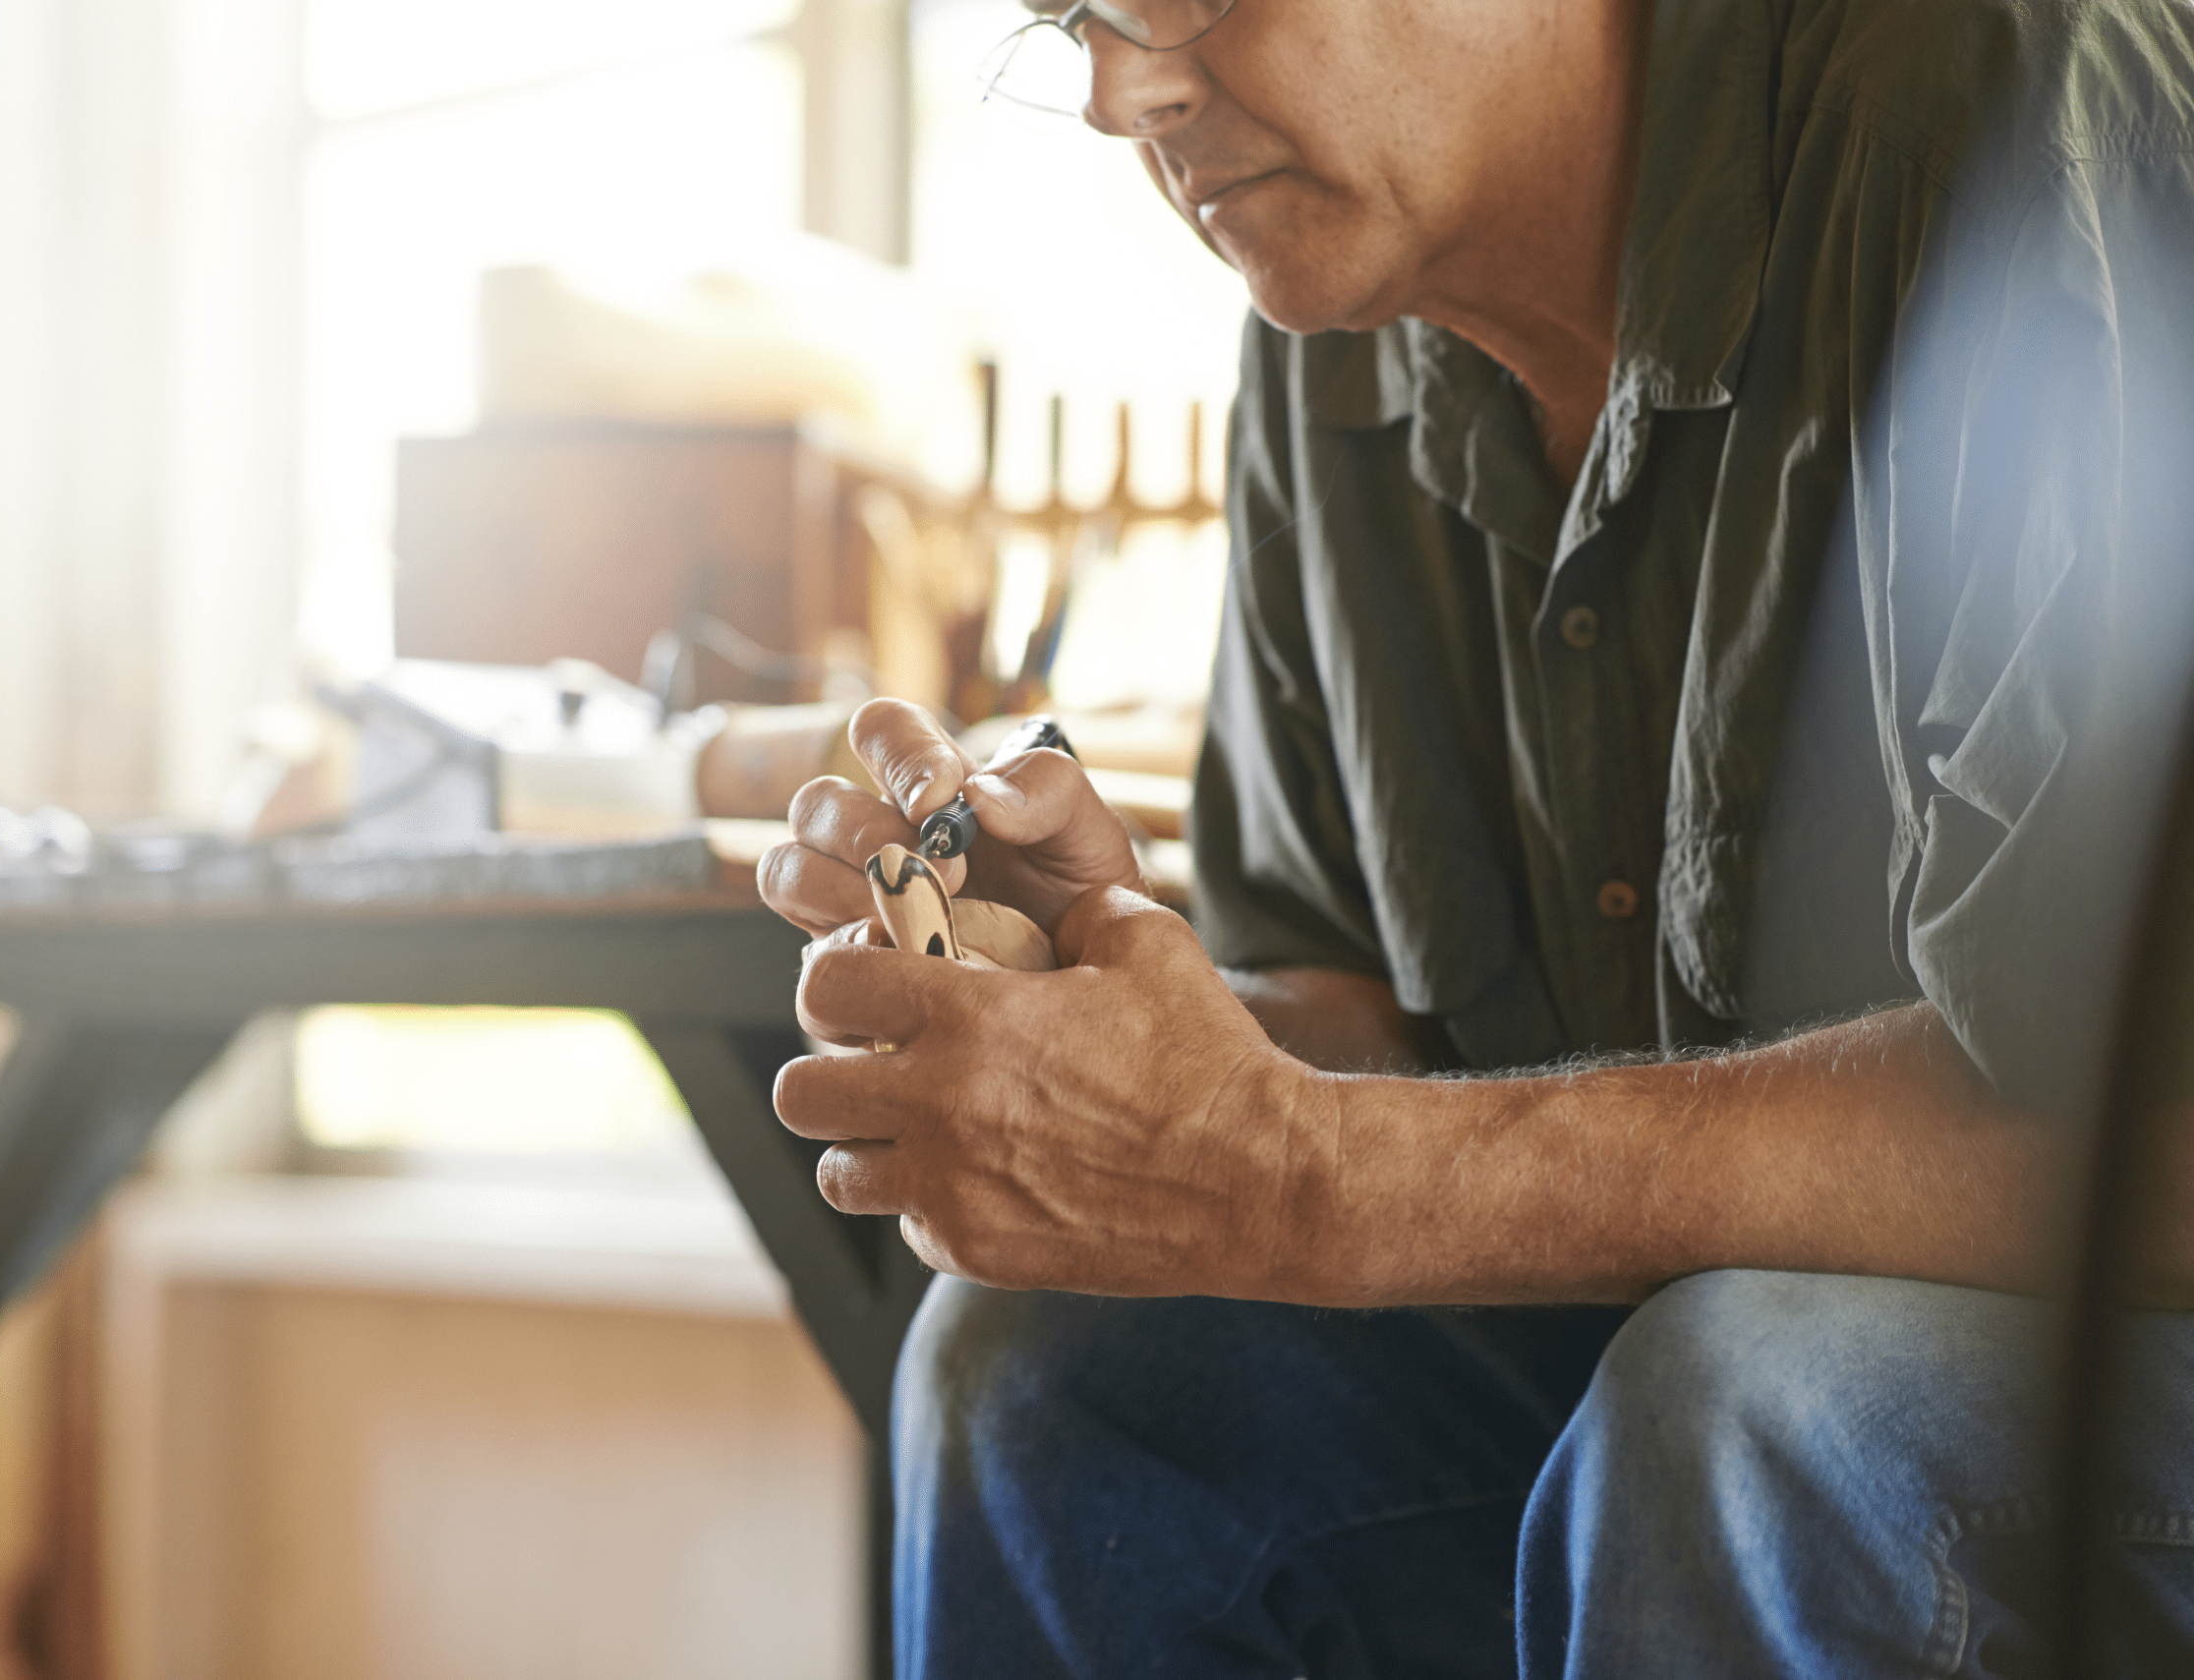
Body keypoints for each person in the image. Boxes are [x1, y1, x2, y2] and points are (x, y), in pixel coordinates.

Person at [760, 0, 2194, 1671]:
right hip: (1699, 1388)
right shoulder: (1329, 306)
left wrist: (1313, 1177)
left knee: (1739, 1414)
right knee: (1058, 1360)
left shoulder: (2016, 97)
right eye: (1072, 19)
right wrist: (1119, 1015)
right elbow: (1375, 1018)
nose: (1115, 94)